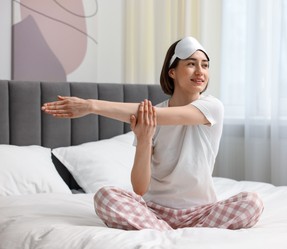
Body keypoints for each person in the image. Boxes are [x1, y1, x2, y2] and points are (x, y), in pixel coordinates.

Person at [42, 36, 264, 230]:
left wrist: (91, 105)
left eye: (205, 65)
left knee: (252, 202)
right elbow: (139, 188)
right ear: (172, 72)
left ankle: (164, 231)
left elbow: (154, 115)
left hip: (201, 212)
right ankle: (169, 231)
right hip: (155, 211)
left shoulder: (212, 107)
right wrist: (144, 140)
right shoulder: (152, 117)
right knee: (105, 197)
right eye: (191, 64)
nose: (200, 72)